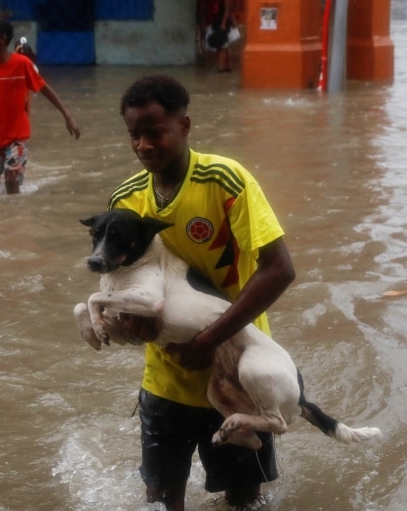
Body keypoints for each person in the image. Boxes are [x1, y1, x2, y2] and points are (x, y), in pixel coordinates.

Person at [107, 74, 296, 510]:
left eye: (155, 132)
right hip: (165, 380)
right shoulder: (126, 199)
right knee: (159, 500)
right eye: (134, 135)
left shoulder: (225, 180)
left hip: (238, 372)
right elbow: (122, 286)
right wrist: (126, 326)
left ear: (185, 126)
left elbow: (279, 269)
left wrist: (208, 341)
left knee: (244, 501)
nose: (144, 145)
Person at [0, 18, 80, 195]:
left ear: (3, 38)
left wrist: (67, 116)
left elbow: (45, 89)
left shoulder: (22, 64)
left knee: (11, 179)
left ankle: (16, 218)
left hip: (17, 134)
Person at [202, 0, 235, 73]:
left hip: (222, 21)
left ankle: (221, 68)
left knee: (222, 45)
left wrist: (223, 23)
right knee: (224, 44)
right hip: (219, 20)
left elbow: (227, 9)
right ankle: (226, 66)